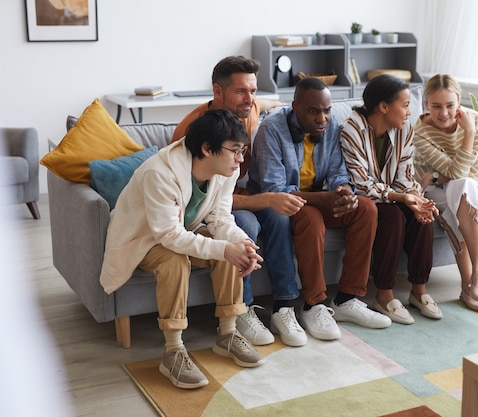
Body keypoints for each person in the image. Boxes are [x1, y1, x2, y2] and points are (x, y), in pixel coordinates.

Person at [99, 109, 265, 390]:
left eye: (242, 150)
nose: (240, 159)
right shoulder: (159, 172)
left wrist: (243, 244)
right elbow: (167, 235)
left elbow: (221, 219)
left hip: (182, 230)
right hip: (143, 238)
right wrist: (224, 248)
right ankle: (173, 351)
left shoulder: (226, 170)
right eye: (235, 151)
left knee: (230, 248)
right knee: (177, 260)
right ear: (206, 148)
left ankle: (227, 334)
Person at [172, 56, 308, 347]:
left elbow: (266, 104)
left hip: (236, 193)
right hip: (204, 207)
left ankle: (285, 305)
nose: (249, 99)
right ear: (217, 92)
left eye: (253, 90)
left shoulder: (248, 109)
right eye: (241, 91)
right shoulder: (192, 132)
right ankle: (243, 308)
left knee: (278, 216)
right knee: (245, 223)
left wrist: (280, 104)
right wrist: (267, 198)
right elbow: (202, 199)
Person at [248, 77, 390, 341]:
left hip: (316, 195)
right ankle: (313, 304)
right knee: (310, 218)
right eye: (313, 111)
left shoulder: (332, 125)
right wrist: (324, 198)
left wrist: (344, 191)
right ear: (295, 107)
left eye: (326, 110)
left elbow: (337, 171)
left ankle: (347, 298)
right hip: (279, 202)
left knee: (366, 208)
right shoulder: (272, 130)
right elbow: (275, 188)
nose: (322, 118)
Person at [340, 74, 442, 325]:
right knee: (394, 216)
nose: (409, 111)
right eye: (405, 105)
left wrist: (417, 200)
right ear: (384, 107)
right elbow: (361, 184)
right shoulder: (352, 129)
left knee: (421, 217)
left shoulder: (404, 129)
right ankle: (384, 295)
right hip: (364, 200)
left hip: (392, 193)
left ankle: (419, 291)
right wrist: (402, 197)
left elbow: (405, 174)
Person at [413, 74, 478, 313]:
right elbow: (459, 171)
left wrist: (438, 174)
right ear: (426, 104)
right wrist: (467, 136)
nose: (444, 113)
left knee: (462, 188)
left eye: (450, 105)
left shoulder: (474, 120)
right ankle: (473, 281)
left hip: (458, 185)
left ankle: (472, 279)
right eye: (436, 106)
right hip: (433, 192)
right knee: (461, 188)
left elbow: (476, 172)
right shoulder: (420, 131)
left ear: (459, 102)